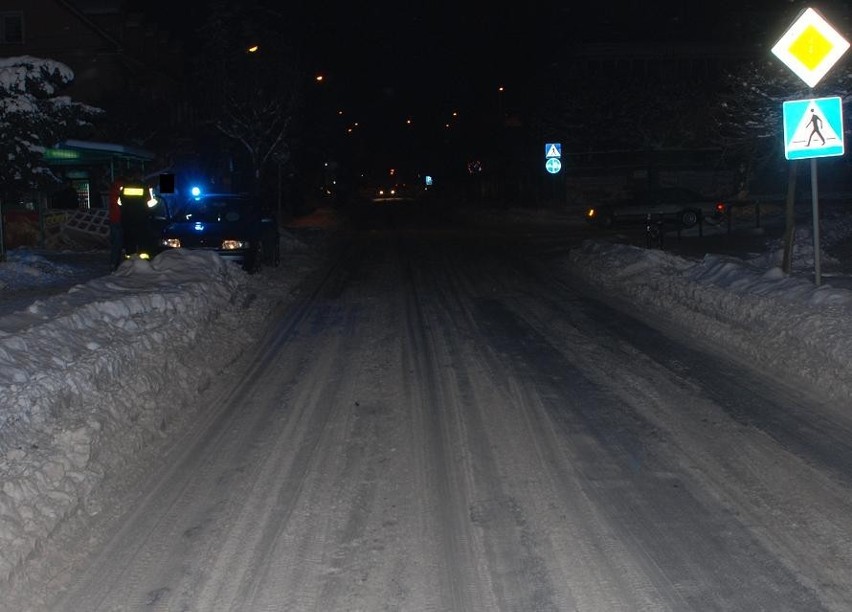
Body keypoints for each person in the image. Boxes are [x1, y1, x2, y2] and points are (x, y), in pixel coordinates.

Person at [109, 178, 124, 270]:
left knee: (116, 244)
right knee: (119, 243)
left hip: (114, 219)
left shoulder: (113, 190)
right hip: (120, 220)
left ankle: (114, 263)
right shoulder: (122, 190)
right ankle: (115, 263)